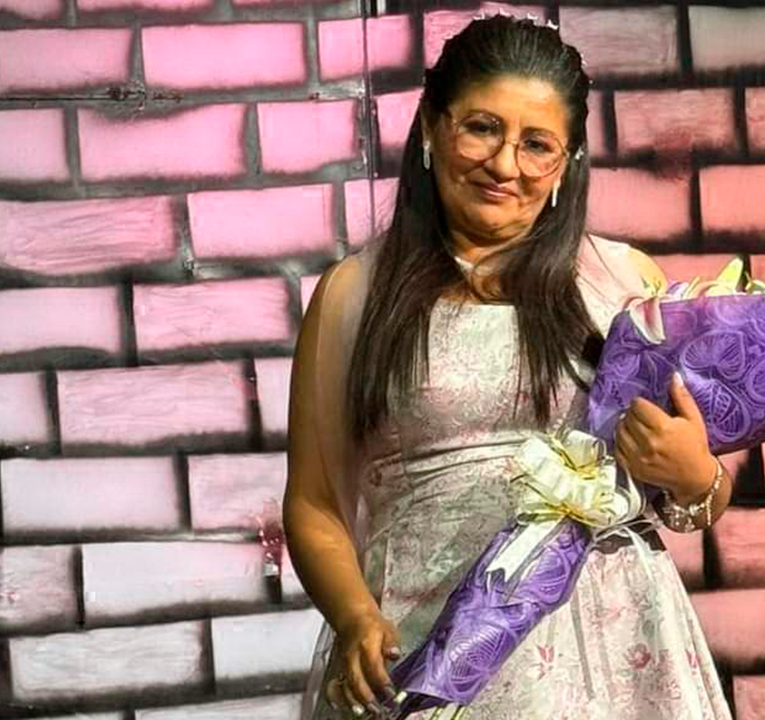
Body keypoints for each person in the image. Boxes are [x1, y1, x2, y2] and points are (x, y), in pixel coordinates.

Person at [283, 15, 734, 720]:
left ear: (567, 163)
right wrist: (354, 616)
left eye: (537, 144)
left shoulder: (623, 283)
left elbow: (695, 495)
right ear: (430, 129)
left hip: (621, 655)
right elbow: (312, 503)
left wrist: (695, 473)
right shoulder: (355, 295)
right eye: (482, 128)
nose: (504, 165)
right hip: (430, 645)